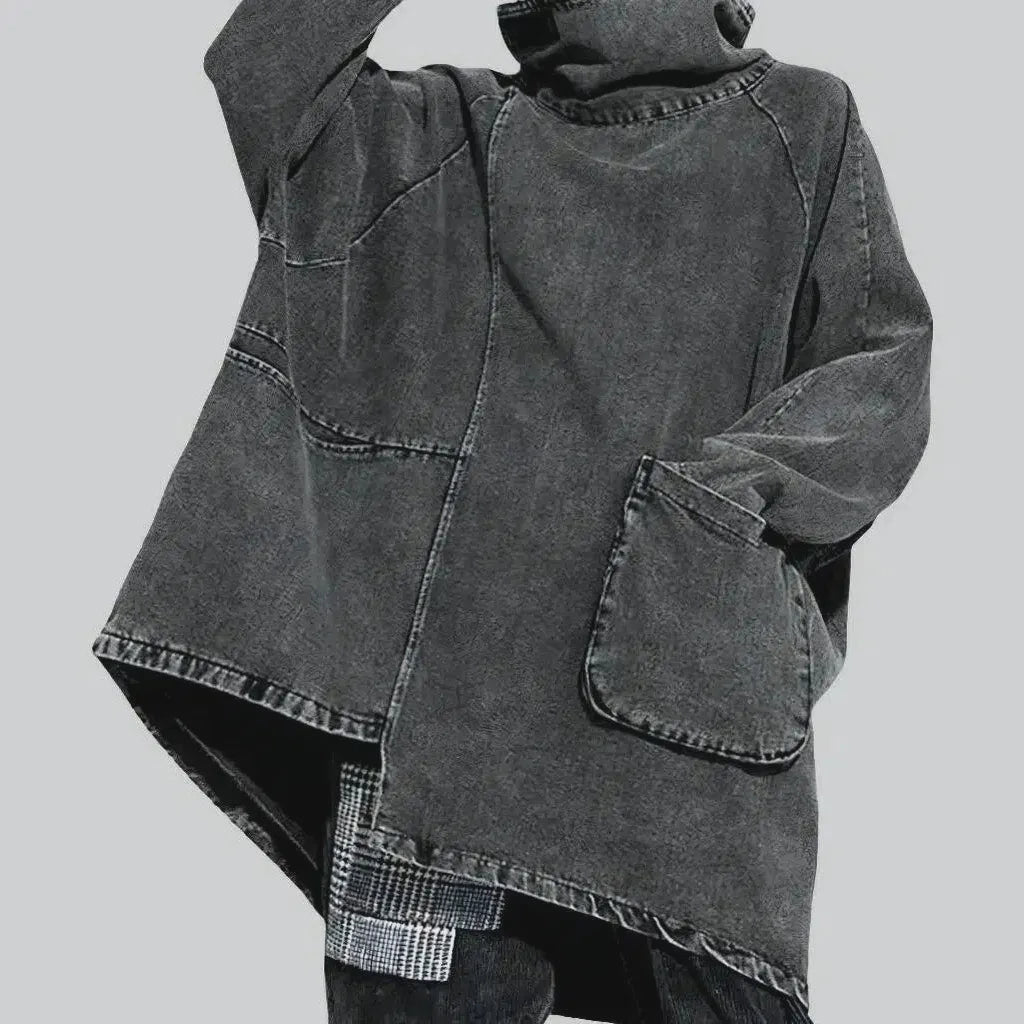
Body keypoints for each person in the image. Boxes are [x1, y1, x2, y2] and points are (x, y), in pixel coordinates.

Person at [90, 1, 932, 1020]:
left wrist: (716, 507)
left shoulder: (802, 120)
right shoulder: (433, 133)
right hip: (422, 754)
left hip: (679, 717)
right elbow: (265, 68)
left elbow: (880, 366)